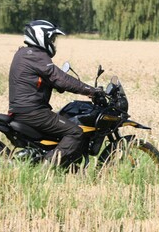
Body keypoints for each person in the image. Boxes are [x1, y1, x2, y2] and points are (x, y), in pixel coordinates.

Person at [8, 19, 97, 165]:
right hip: (34, 112)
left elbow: (47, 79)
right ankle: (47, 166)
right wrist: (90, 90)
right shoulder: (35, 55)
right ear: (41, 36)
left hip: (22, 110)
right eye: (51, 38)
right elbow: (60, 78)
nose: (53, 42)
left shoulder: (24, 54)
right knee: (75, 132)